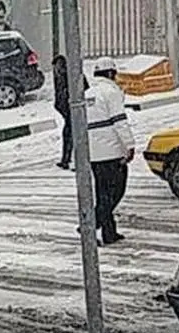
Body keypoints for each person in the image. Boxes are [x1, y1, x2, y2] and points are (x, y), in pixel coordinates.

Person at [85, 56, 135, 246]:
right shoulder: (111, 93)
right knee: (117, 191)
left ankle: (109, 232)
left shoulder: (87, 94)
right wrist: (129, 145)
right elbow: (119, 121)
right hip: (111, 152)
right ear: (111, 73)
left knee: (102, 192)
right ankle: (91, 224)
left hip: (93, 153)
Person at [52, 55, 86, 170]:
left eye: (58, 66)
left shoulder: (72, 76)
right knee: (68, 135)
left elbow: (85, 90)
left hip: (75, 112)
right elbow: (59, 96)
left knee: (77, 137)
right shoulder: (59, 77)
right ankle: (66, 160)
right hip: (68, 113)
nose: (57, 70)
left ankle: (77, 161)